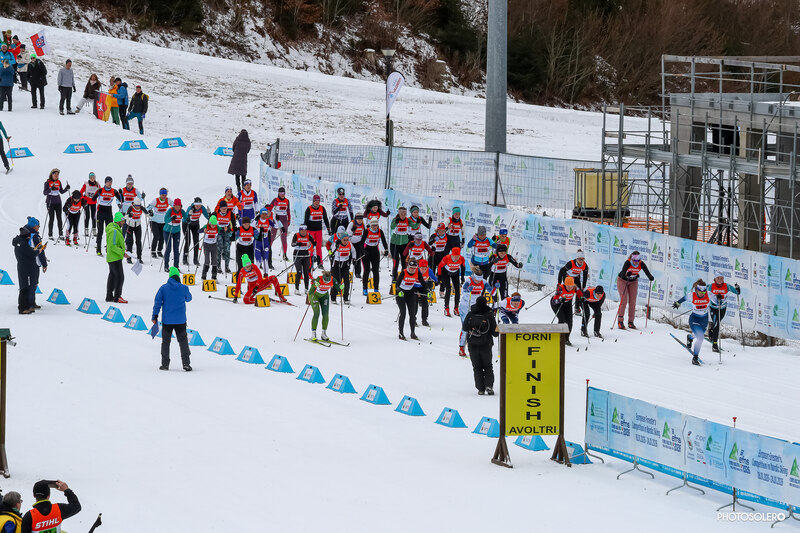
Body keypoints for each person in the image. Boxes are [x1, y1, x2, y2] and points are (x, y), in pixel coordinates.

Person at [153, 267, 193, 371]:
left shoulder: (163, 288)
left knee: (166, 342)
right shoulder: (183, 288)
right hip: (180, 320)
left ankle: (165, 364)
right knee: (183, 342)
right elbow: (189, 298)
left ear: (170, 276)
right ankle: (186, 363)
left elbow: (157, 303)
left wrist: (154, 316)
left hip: (167, 321)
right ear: (178, 276)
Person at [462, 296, 499, 395]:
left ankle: (480, 389)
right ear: (486, 303)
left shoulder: (471, 313)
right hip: (486, 344)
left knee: (477, 367)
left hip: (472, 344)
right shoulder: (489, 314)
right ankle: (489, 386)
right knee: (488, 366)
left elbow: (465, 327)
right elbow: (495, 333)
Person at [12, 217, 47, 315]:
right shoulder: (33, 237)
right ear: (34, 226)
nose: (39, 227)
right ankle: (29, 304)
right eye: (38, 225)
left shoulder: (21, 237)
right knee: (32, 284)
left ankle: (30, 303)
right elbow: (35, 252)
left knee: (26, 285)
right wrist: (44, 263)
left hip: (22, 264)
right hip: (32, 264)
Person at [672, 280, 710, 365]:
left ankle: (690, 337)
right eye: (700, 291)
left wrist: (719, 298)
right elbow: (683, 299)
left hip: (704, 320)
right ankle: (695, 358)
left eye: (703, 292)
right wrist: (677, 303)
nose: (702, 294)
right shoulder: (692, 295)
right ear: (696, 290)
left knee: (699, 334)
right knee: (700, 337)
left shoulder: (709, 294)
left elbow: (718, 300)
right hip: (694, 319)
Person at [458, 264, 491, 356]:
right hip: (465, 306)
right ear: (474, 277)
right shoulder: (468, 280)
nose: (478, 281)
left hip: (476, 306)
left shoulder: (483, 281)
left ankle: (473, 345)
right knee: (465, 327)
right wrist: (468, 290)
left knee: (476, 326)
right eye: (477, 280)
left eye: (480, 279)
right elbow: (463, 291)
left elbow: (491, 291)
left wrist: (495, 288)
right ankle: (461, 348)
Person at [616, 250, 654, 329]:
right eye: (635, 260)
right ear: (632, 259)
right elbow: (622, 273)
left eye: (638, 260)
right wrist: (627, 274)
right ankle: (620, 321)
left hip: (633, 281)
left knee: (632, 302)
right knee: (624, 301)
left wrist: (650, 277)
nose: (636, 262)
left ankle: (631, 322)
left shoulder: (641, 263)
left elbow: (646, 271)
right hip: (623, 281)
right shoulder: (628, 263)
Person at [708, 272, 741, 352]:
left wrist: (737, 288)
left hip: (722, 308)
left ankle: (711, 329)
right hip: (713, 308)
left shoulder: (727, 286)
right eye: (718, 278)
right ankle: (715, 344)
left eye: (721, 278)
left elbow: (737, 293)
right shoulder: (711, 286)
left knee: (717, 323)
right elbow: (703, 293)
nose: (720, 280)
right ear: (715, 279)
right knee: (717, 325)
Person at [394, 258, 425, 340]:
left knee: (412, 314)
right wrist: (399, 291)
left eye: (414, 268)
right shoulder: (403, 272)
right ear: (408, 266)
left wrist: (428, 290)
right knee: (403, 313)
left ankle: (413, 333)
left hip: (410, 294)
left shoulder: (417, 273)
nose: (412, 270)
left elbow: (423, 283)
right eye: (411, 268)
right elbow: (397, 285)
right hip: (401, 294)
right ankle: (401, 333)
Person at [551, 276, 583, 346]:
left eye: (571, 286)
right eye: (568, 286)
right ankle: (559, 337)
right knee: (562, 320)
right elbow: (554, 301)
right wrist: (560, 300)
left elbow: (580, 294)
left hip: (567, 304)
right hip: (557, 304)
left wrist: (581, 298)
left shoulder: (575, 287)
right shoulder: (560, 288)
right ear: (565, 284)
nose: (570, 288)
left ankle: (566, 339)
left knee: (569, 321)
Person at [307, 270, 340, 341]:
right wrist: (315, 285)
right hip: (314, 295)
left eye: (328, 282)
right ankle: (313, 333)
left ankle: (324, 333)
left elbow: (339, 288)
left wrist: (341, 287)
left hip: (324, 296)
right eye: (325, 281)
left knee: (325, 314)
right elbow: (311, 291)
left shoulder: (333, 279)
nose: (326, 283)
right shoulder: (319, 278)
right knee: (316, 313)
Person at [360, 217, 388, 295]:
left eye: (376, 225)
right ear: (370, 225)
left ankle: (376, 289)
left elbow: (384, 241)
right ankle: (365, 289)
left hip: (375, 252)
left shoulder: (380, 231)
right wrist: (363, 251)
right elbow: (361, 243)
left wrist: (386, 249)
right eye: (373, 225)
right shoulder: (367, 231)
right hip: (366, 252)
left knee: (376, 271)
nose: (375, 227)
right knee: (367, 270)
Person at [93, 176, 120, 256]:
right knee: (100, 231)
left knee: (110, 231)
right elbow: (93, 199)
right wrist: (96, 194)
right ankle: (98, 249)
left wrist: (120, 193)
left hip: (108, 213)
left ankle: (109, 248)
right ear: (105, 182)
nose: (109, 183)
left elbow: (121, 199)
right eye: (108, 182)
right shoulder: (101, 190)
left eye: (110, 182)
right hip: (100, 212)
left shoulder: (114, 191)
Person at [106, 212, 129, 303]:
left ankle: (109, 296)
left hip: (114, 257)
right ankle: (117, 297)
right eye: (122, 221)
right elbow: (112, 246)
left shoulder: (115, 229)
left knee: (112, 276)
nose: (124, 223)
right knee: (120, 277)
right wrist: (122, 252)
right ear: (118, 221)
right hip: (115, 258)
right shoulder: (114, 231)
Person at [437, 246, 465, 317]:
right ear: (452, 255)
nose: (456, 258)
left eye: (457, 256)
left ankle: (456, 307)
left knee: (457, 290)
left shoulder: (461, 258)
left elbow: (463, 267)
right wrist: (439, 276)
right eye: (454, 256)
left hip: (455, 273)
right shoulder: (446, 258)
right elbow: (440, 266)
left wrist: (462, 277)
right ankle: (446, 308)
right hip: (446, 273)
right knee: (448, 289)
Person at [42, 169, 69, 240]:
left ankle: (61, 234)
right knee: (51, 218)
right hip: (50, 202)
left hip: (58, 202)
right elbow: (44, 192)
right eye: (55, 174)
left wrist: (66, 189)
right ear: (52, 174)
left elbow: (61, 191)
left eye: (58, 174)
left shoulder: (59, 182)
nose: (56, 175)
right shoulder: (47, 182)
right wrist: (50, 189)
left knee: (59, 218)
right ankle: (50, 234)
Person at [329, 232, 355, 304]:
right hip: (336, 265)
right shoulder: (336, 244)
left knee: (347, 282)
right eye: (344, 240)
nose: (346, 241)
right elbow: (331, 252)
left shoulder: (349, 244)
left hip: (345, 265)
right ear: (341, 239)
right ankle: (333, 298)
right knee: (336, 282)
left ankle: (346, 298)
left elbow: (353, 251)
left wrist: (354, 259)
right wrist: (336, 246)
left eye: (347, 239)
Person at [303, 194, 330, 266]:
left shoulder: (322, 208)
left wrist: (328, 228)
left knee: (318, 246)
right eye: (316, 201)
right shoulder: (309, 209)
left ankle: (320, 262)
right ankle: (310, 262)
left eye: (318, 201)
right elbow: (306, 220)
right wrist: (305, 230)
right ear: (313, 201)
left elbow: (325, 218)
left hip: (318, 230)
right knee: (311, 246)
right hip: (310, 230)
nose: (317, 203)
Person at [182, 198, 208, 266]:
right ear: (194, 204)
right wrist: (188, 218)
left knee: (196, 241)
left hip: (195, 224)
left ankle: (195, 259)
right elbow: (185, 216)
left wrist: (211, 219)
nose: (198, 207)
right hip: (186, 224)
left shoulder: (202, 208)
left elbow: (207, 216)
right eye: (197, 205)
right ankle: (185, 258)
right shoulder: (190, 208)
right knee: (188, 241)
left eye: (199, 205)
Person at [292, 225, 316, 294]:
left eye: (305, 231)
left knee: (306, 272)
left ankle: (306, 289)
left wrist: (314, 243)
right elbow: (292, 244)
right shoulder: (296, 235)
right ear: (300, 231)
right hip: (297, 255)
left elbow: (313, 241)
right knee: (299, 272)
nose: (303, 232)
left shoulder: (308, 235)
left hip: (306, 255)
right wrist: (297, 243)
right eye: (302, 231)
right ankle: (296, 289)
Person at [147, 188, 170, 258]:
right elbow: (147, 208)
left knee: (162, 236)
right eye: (163, 195)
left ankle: (159, 250)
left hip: (163, 221)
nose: (164, 196)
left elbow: (174, 206)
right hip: (154, 221)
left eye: (165, 195)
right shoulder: (155, 200)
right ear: (160, 194)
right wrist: (150, 211)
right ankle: (153, 251)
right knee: (156, 235)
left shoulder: (168, 200)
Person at [269, 187, 291, 261]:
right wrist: (273, 205)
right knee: (272, 236)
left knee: (284, 237)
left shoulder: (287, 201)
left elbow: (288, 211)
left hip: (284, 219)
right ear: (278, 193)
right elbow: (269, 209)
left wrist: (289, 220)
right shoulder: (275, 200)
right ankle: (268, 252)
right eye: (281, 193)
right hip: (276, 219)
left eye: (283, 193)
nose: (282, 194)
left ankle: (285, 254)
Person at [163, 198, 184, 271]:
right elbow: (165, 220)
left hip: (177, 231)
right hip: (168, 231)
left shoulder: (181, 211)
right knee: (168, 248)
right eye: (176, 206)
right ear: (174, 206)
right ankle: (166, 266)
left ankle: (176, 267)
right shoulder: (170, 210)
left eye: (179, 206)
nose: (178, 208)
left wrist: (187, 220)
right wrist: (171, 218)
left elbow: (186, 217)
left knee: (176, 249)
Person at [214, 200, 236, 274]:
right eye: (222, 208)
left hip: (227, 233)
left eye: (225, 208)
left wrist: (230, 231)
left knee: (227, 250)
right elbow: (212, 223)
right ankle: (218, 267)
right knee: (219, 249)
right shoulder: (216, 213)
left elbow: (233, 224)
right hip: (219, 233)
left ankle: (227, 267)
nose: (224, 210)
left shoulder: (230, 213)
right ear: (220, 208)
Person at [389, 206, 410, 281]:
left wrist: (418, 221)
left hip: (404, 244)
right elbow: (392, 227)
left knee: (404, 261)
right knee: (396, 261)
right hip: (395, 243)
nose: (403, 216)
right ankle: (394, 277)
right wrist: (396, 222)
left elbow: (414, 225)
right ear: (399, 214)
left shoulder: (407, 220)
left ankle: (403, 277)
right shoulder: (395, 219)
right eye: (401, 214)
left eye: (404, 214)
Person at [416, 258, 437, 327]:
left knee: (425, 302)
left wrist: (436, 281)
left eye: (425, 268)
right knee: (414, 303)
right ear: (419, 267)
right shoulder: (415, 271)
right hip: (414, 286)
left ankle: (424, 319)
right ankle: (413, 318)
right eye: (422, 268)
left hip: (423, 286)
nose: (424, 270)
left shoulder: (429, 270)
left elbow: (433, 277)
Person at [429, 223, 449, 291]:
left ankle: (442, 289)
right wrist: (434, 240)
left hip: (441, 255)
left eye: (443, 231)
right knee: (432, 271)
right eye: (439, 231)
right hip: (434, 255)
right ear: (437, 230)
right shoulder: (434, 235)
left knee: (442, 272)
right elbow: (429, 243)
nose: (441, 232)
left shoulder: (446, 236)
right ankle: (430, 287)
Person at [125, 197, 145, 263]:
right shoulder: (130, 208)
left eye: (139, 205)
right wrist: (129, 215)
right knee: (130, 242)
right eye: (136, 205)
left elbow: (148, 214)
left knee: (138, 242)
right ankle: (129, 258)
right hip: (130, 226)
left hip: (138, 226)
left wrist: (150, 214)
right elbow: (125, 217)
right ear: (133, 204)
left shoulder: (141, 208)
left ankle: (139, 258)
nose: (138, 207)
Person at [80, 172, 100, 236]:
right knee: (87, 216)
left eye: (93, 177)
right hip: (87, 202)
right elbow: (81, 192)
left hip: (93, 202)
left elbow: (101, 192)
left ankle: (94, 230)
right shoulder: (86, 184)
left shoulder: (97, 185)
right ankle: (86, 230)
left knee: (93, 216)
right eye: (91, 178)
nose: (92, 179)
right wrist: (83, 199)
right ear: (89, 178)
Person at [346, 212, 366, 278]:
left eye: (361, 219)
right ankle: (347, 271)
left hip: (358, 242)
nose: (360, 221)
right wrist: (352, 231)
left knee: (358, 257)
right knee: (349, 257)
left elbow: (364, 233)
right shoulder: (351, 224)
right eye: (358, 219)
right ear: (355, 219)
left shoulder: (363, 224)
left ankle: (357, 273)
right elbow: (348, 234)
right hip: (351, 242)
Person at [200, 215, 219, 280]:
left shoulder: (217, 227)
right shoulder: (206, 226)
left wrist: (225, 230)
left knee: (214, 261)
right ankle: (203, 276)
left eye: (214, 225)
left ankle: (214, 276)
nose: (213, 226)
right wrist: (203, 230)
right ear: (209, 223)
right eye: (212, 225)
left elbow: (222, 231)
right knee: (207, 261)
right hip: (206, 245)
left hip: (214, 245)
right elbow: (198, 231)